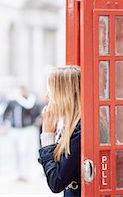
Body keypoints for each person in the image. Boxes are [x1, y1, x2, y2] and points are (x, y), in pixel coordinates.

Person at [39, 65, 81, 197]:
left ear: (63, 95)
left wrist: (47, 136)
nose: (47, 96)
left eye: (50, 92)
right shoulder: (71, 125)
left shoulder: (79, 130)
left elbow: (56, 182)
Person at [3, 86, 40, 182]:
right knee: (16, 152)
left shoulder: (29, 102)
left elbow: (35, 113)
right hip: (14, 129)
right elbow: (5, 113)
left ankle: (25, 173)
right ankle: (19, 173)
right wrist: (4, 124)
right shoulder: (13, 102)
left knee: (23, 151)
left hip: (25, 130)